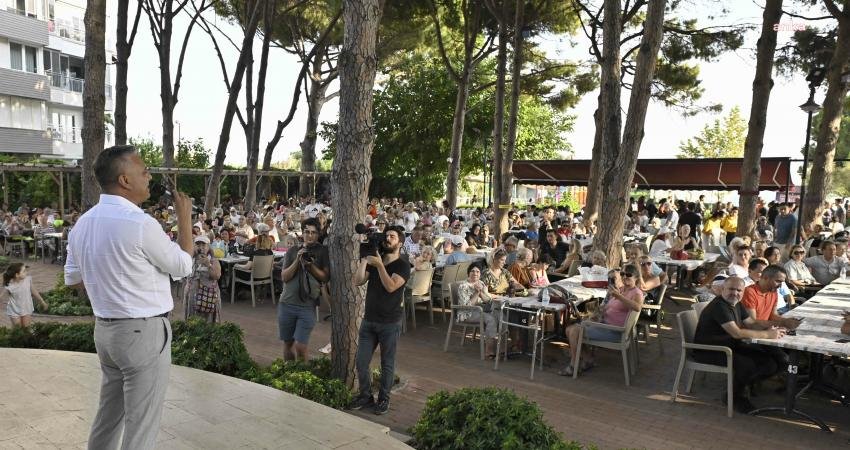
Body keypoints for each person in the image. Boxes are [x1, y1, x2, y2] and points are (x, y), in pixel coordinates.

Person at [64, 145, 194, 449]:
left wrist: (109, 290)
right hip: (142, 332)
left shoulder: (83, 223)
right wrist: (184, 219)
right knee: (141, 427)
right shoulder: (139, 223)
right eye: (143, 170)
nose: (148, 175)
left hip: (107, 331)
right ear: (124, 180)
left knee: (108, 418)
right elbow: (183, 266)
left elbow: (73, 279)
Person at [692, 277, 786, 414]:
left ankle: (742, 386)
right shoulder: (719, 306)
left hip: (730, 346)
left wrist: (774, 328)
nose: (735, 293)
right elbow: (736, 333)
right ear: (722, 289)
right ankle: (734, 397)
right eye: (731, 289)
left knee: (771, 361)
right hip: (709, 351)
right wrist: (767, 335)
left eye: (738, 290)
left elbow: (751, 324)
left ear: (743, 292)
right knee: (747, 365)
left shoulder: (736, 303)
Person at [350, 226, 410, 415]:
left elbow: (391, 286)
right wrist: (365, 259)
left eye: (392, 236)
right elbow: (358, 281)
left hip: (389, 323)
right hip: (369, 320)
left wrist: (379, 266)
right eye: (386, 236)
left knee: (387, 364)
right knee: (361, 361)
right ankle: (365, 396)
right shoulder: (376, 260)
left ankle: (384, 399)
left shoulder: (402, 265)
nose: (387, 238)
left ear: (400, 243)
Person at [559, 265, 644, 376]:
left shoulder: (636, 293)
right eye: (622, 274)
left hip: (615, 331)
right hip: (604, 324)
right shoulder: (622, 289)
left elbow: (637, 307)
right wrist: (597, 314)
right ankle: (587, 358)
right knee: (569, 329)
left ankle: (574, 365)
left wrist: (618, 296)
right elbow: (608, 307)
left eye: (628, 275)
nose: (624, 277)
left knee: (574, 331)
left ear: (636, 277)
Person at [278, 218, 329, 361]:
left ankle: (302, 376)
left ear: (318, 234)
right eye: (307, 232)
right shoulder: (293, 251)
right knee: (288, 343)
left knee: (301, 346)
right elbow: (284, 277)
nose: (310, 235)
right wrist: (297, 261)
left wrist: (310, 266)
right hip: (287, 303)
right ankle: (289, 373)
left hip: (307, 305)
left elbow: (325, 277)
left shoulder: (323, 251)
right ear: (302, 233)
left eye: (313, 232)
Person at [455, 264, 500, 359]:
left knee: (499, 315)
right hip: (467, 314)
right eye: (472, 271)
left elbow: (488, 301)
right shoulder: (464, 286)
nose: (475, 273)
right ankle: (489, 350)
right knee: (491, 319)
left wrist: (481, 292)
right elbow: (466, 307)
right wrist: (477, 293)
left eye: (478, 271)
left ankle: (503, 347)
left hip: (480, 310)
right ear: (468, 273)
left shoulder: (481, 283)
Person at [182, 236, 223, 323]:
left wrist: (208, 265)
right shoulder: (190, 259)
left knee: (208, 322)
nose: (201, 247)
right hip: (192, 297)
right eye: (198, 245)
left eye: (203, 245)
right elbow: (182, 272)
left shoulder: (213, 260)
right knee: (192, 321)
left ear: (208, 247)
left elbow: (216, 276)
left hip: (209, 297)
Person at [3, 262, 48, 327]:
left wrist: (42, 302)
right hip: (14, 310)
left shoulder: (28, 280)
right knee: (18, 329)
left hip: (26, 308)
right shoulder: (10, 286)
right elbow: (2, 296)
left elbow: (34, 292)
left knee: (26, 328)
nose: (26, 272)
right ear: (17, 275)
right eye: (24, 271)